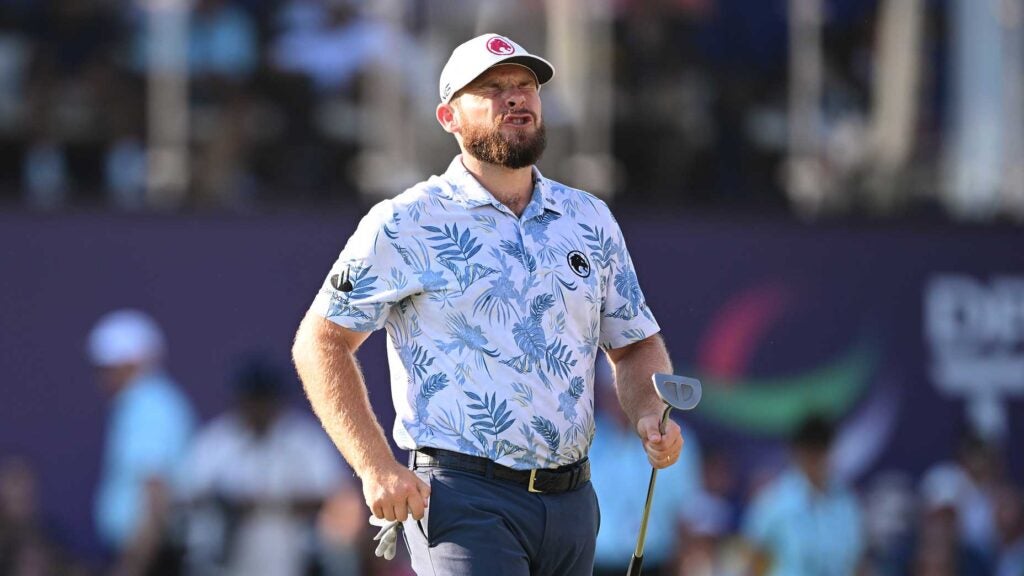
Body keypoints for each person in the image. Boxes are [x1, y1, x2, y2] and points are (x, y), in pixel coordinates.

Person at [291, 33, 685, 576]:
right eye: (493, 89)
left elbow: (635, 343)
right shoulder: (407, 221)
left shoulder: (588, 218)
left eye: (525, 86)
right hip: (462, 499)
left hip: (572, 501)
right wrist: (374, 465)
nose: (516, 98)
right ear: (449, 117)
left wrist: (647, 414)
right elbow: (321, 341)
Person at [179, 355, 347, 576]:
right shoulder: (216, 442)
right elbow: (186, 496)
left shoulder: (304, 440)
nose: (259, 408)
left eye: (265, 400)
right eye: (253, 399)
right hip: (225, 558)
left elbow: (335, 497)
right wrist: (225, 503)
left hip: (292, 557)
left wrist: (270, 505)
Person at [87, 309, 197, 576]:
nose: (102, 377)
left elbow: (155, 490)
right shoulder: (149, 402)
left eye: (109, 367)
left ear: (133, 363)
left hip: (149, 555)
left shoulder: (148, 405)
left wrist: (133, 565)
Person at [740, 414, 863, 576]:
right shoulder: (773, 501)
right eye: (810, 452)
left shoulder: (846, 504)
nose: (816, 460)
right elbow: (753, 563)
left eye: (821, 451)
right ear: (797, 452)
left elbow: (857, 564)